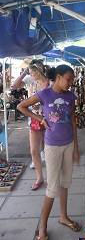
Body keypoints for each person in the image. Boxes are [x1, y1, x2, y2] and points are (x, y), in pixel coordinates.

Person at [17, 65, 81, 240]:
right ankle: (42, 226)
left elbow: (73, 122)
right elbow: (21, 106)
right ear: (58, 77)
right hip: (52, 147)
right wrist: (40, 119)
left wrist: (76, 147)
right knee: (52, 189)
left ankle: (63, 216)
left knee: (65, 184)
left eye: (72, 80)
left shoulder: (70, 96)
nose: (71, 83)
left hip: (68, 144)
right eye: (68, 79)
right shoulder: (45, 94)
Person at [12, 59, 50, 190]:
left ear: (41, 69)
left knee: (49, 149)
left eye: (34, 70)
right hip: (34, 119)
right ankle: (39, 177)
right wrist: (23, 73)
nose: (32, 72)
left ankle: (51, 176)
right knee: (34, 150)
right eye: (31, 70)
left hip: (49, 119)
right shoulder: (30, 80)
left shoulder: (49, 83)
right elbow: (14, 86)